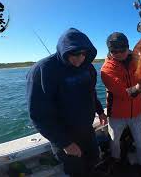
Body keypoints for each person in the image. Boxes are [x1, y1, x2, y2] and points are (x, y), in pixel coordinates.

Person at [26, 28, 107, 177]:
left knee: (94, 160)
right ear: (64, 51)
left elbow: (91, 93)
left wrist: (100, 111)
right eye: (74, 54)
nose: (80, 58)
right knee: (76, 170)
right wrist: (65, 143)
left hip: (87, 130)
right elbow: (38, 115)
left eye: (83, 54)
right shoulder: (42, 70)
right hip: (64, 135)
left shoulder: (88, 67)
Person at [100, 32, 141, 174]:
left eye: (122, 49)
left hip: (137, 112)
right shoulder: (106, 69)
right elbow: (123, 93)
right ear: (109, 51)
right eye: (114, 51)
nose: (119, 53)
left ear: (128, 47)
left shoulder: (138, 60)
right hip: (117, 115)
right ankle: (116, 163)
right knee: (114, 142)